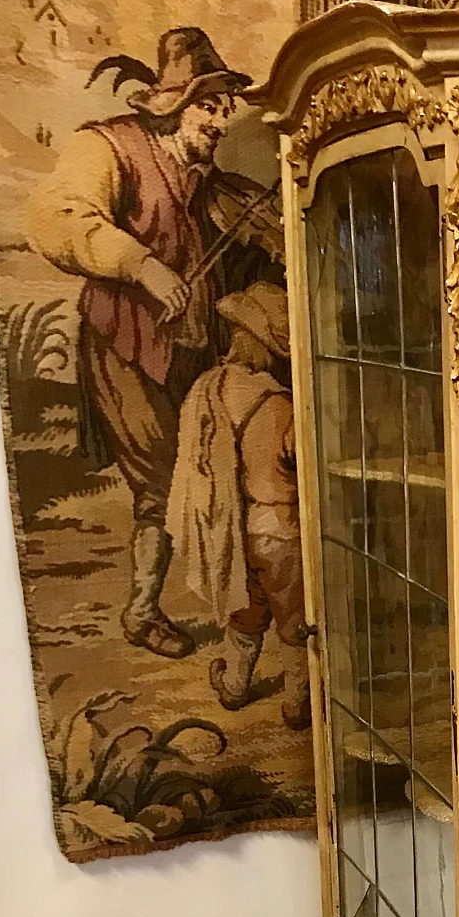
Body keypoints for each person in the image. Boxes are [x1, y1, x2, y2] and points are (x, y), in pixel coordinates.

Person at [28, 27, 282, 659]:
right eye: (209, 107)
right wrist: (143, 266)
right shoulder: (108, 147)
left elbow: (240, 256)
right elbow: (56, 219)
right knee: (163, 482)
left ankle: (220, 607)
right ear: (173, 105)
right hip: (125, 346)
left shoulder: (210, 182)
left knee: (207, 467)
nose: (222, 122)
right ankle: (143, 611)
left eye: (227, 108)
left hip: (190, 352)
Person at [167, 282, 310, 728]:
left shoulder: (209, 389)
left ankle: (234, 685)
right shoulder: (281, 405)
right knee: (294, 619)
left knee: (245, 613)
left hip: (229, 526)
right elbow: (297, 461)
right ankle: (298, 702)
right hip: (278, 527)